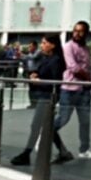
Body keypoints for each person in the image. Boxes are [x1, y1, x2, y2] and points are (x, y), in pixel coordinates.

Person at [10, 35, 66, 167]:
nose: (42, 45)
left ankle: (27, 153)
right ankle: (63, 151)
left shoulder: (56, 61)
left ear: (52, 45)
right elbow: (44, 74)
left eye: (44, 43)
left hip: (48, 97)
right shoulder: (47, 59)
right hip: (44, 96)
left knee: (36, 125)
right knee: (47, 126)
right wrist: (36, 75)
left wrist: (39, 82)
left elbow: (56, 83)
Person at [52, 21, 91, 163]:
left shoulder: (87, 49)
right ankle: (46, 134)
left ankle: (84, 150)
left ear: (86, 33)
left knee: (85, 121)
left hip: (84, 91)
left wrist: (88, 83)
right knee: (63, 118)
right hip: (69, 89)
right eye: (75, 30)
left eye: (80, 31)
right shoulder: (68, 47)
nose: (76, 33)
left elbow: (87, 67)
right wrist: (88, 78)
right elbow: (73, 67)